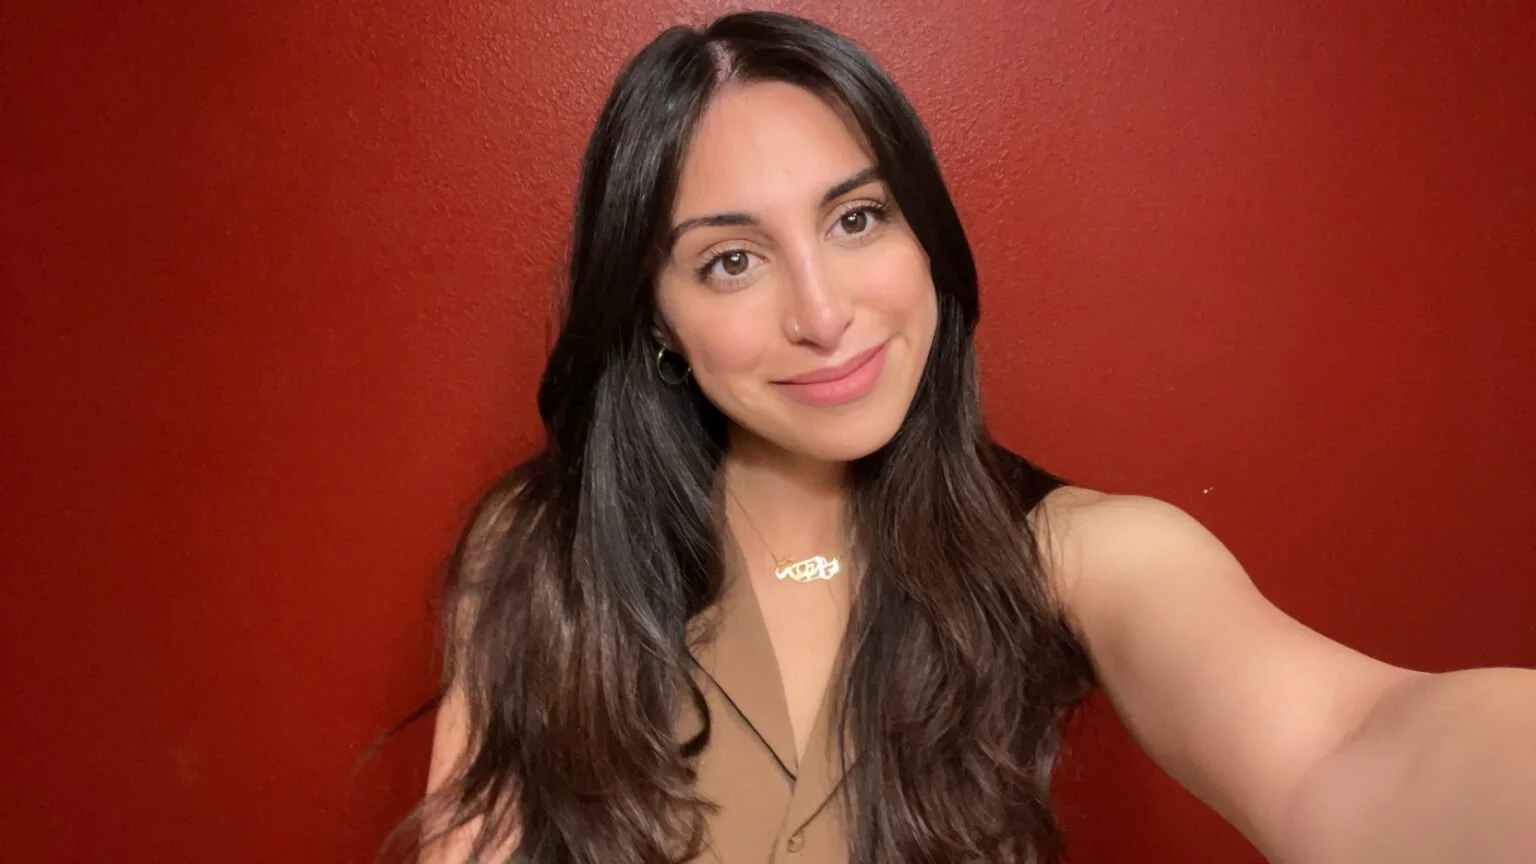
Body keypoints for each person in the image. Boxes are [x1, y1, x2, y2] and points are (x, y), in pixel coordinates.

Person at [396, 10, 1535, 864]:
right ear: (657, 315)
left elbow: (1347, 744)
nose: (824, 311)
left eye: (857, 218)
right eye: (731, 259)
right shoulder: (541, 547)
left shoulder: (1075, 553)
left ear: (925, 236)